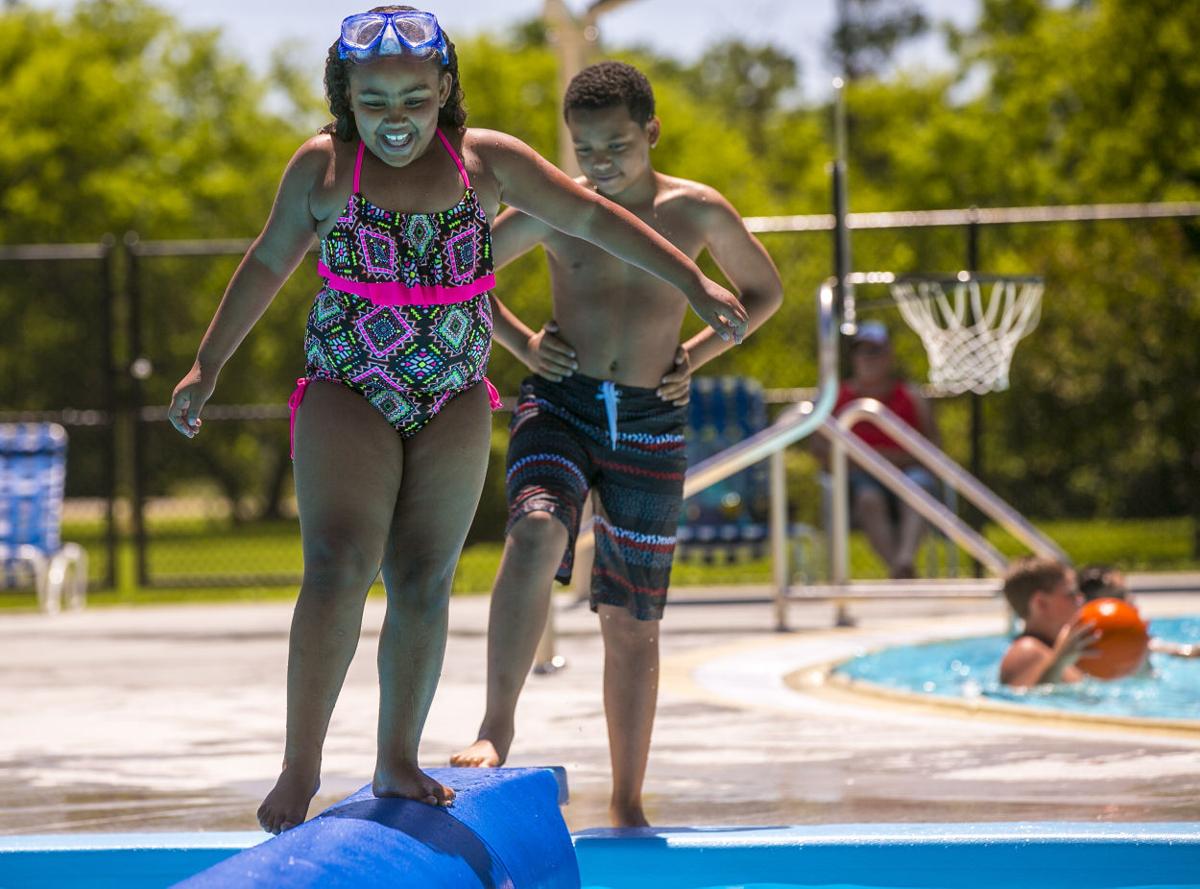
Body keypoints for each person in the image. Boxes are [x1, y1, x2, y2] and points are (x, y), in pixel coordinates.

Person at [166, 10, 748, 835]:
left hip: (452, 392)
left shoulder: (486, 163)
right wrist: (208, 362)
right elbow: (267, 261)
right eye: (374, 101)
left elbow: (594, 218)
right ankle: (300, 767)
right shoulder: (324, 169)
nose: (396, 117)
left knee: (421, 578)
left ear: (444, 88)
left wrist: (692, 281)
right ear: (346, 97)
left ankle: (395, 756)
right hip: (350, 382)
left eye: (413, 96)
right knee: (337, 562)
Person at [449, 61, 783, 827]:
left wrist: (694, 355)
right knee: (535, 530)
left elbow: (764, 292)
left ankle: (629, 800)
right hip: (558, 405)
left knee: (632, 619)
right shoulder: (557, 210)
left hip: (649, 420)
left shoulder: (695, 212)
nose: (601, 165)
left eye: (617, 148)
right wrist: (526, 346)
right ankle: (495, 724)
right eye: (587, 151)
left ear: (652, 132)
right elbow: (457, 276)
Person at [816, 320, 941, 579]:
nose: (868, 358)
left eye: (875, 351)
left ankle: (904, 561)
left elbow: (933, 452)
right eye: (863, 351)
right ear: (853, 358)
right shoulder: (835, 398)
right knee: (868, 499)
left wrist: (891, 460)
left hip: (906, 475)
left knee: (918, 487)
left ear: (889, 356)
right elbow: (820, 452)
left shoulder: (910, 397)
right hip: (858, 481)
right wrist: (864, 462)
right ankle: (899, 569)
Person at [999, 557, 1196, 689]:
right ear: (1040, 603)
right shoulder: (1027, 650)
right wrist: (1059, 662)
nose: (1081, 599)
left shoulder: (1069, 647)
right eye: (1071, 594)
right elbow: (1026, 703)